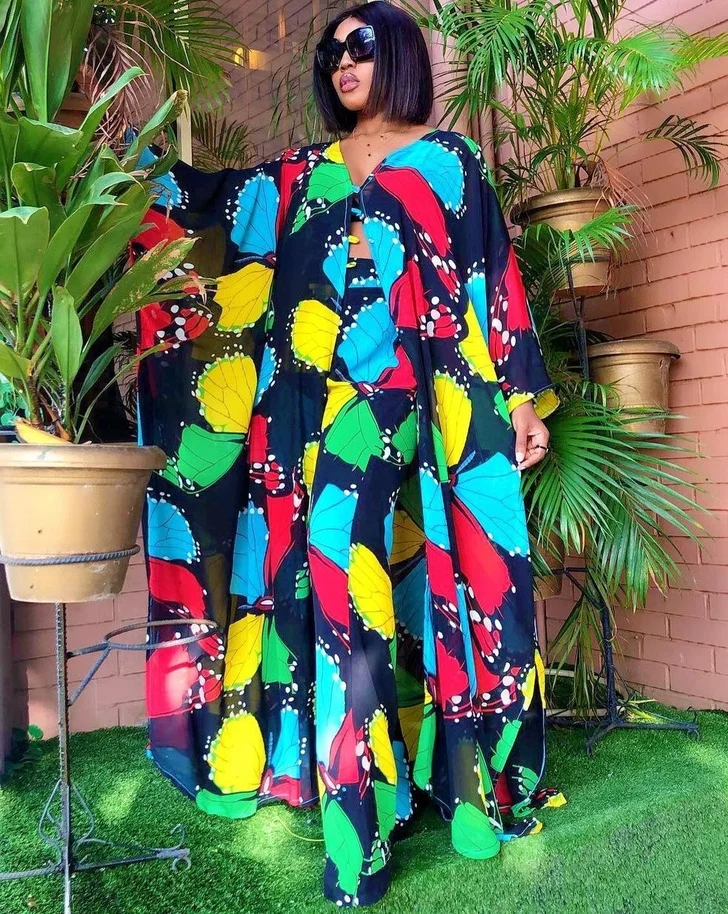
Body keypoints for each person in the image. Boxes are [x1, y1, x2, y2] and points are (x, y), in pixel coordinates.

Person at [136, 1, 564, 906]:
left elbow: (493, 277)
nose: (341, 62)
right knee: (335, 573)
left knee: (470, 577)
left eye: (359, 46)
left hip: (442, 393)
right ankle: (359, 825)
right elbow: (209, 203)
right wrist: (123, 170)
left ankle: (476, 788)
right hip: (334, 406)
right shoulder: (302, 173)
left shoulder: (451, 160)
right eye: (330, 53)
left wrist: (523, 399)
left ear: (400, 52)